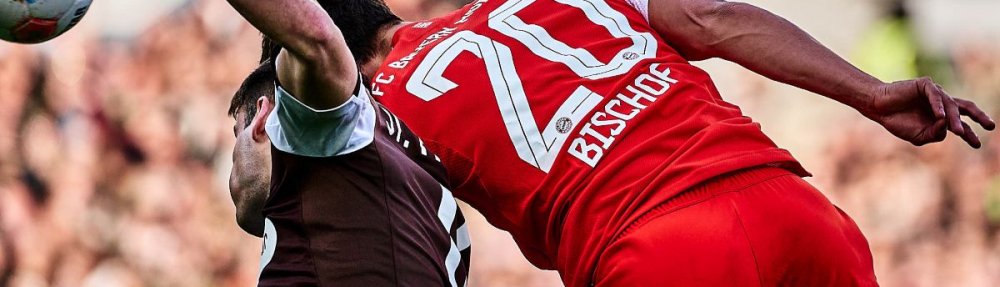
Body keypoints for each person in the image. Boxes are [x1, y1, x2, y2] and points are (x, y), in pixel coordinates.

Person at [257, 0, 996, 286]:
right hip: (792, 206)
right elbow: (710, 18)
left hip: (657, 247)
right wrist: (869, 92)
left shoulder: (369, 97)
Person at [223, 0, 470, 285]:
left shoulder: (319, 136)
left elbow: (316, 37)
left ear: (263, 122)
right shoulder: (407, 178)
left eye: (236, 135)